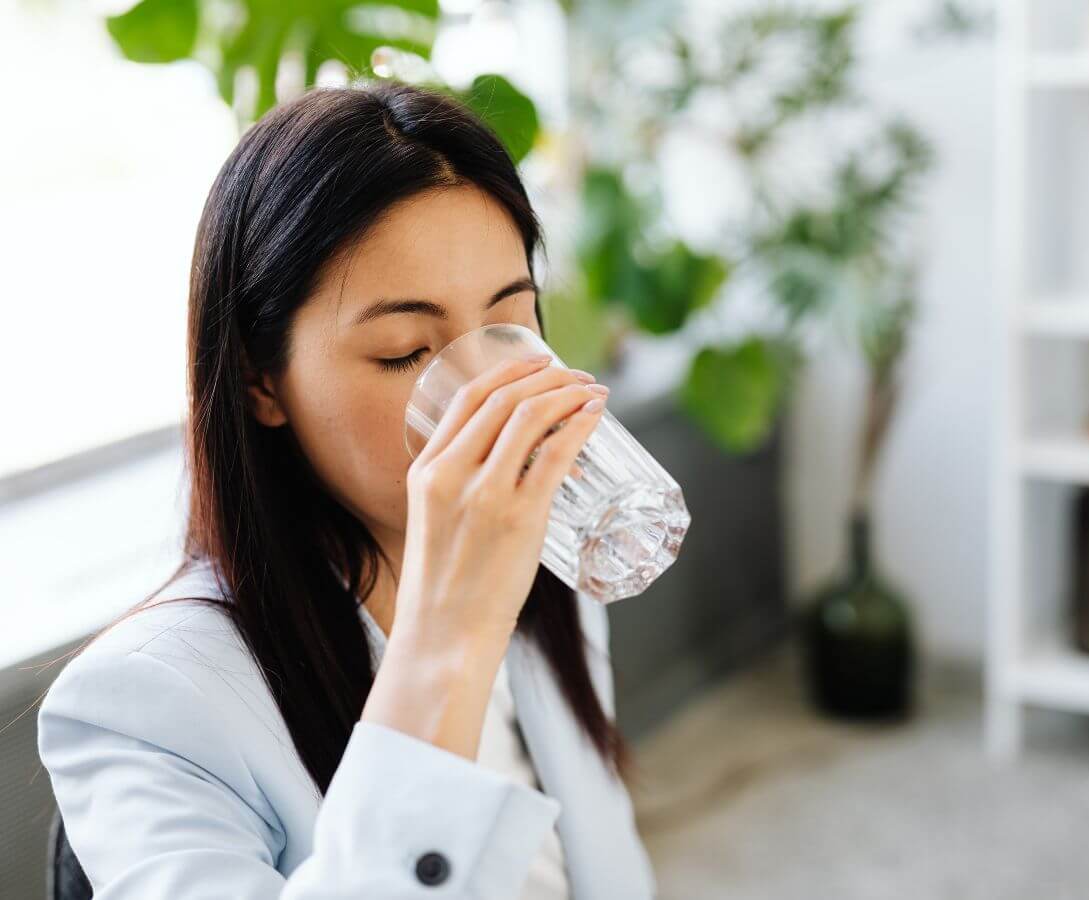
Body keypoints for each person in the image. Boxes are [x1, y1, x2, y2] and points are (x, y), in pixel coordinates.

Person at [36, 79, 658, 899]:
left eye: (512, 322)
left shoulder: (548, 570)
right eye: (406, 351)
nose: (488, 394)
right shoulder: (147, 706)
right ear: (261, 382)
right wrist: (449, 638)